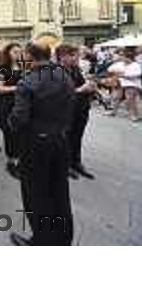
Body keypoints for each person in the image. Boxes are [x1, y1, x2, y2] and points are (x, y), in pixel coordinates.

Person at [9, 42, 75, 246]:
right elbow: (72, 103)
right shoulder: (64, 75)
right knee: (59, 190)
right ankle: (63, 237)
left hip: (35, 144)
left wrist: (9, 121)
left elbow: (19, 118)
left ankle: (42, 240)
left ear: (29, 55)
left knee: (36, 193)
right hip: (60, 140)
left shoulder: (27, 82)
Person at [57, 44, 97, 180]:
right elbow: (59, 94)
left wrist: (90, 87)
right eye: (73, 55)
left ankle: (76, 162)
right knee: (66, 138)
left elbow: (81, 85)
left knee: (77, 136)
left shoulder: (75, 69)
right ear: (62, 56)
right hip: (66, 110)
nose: (76, 58)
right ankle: (65, 164)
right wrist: (81, 89)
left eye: (77, 55)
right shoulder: (57, 71)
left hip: (81, 108)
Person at [0, 43, 24, 179]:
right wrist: (16, 88)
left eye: (19, 52)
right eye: (15, 52)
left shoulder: (23, 67)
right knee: (10, 134)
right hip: (7, 105)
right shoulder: (2, 69)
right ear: (8, 53)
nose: (17, 54)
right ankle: (11, 162)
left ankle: (19, 160)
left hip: (21, 104)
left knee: (20, 134)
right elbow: (0, 89)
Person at [107, 49, 142, 122]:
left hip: (132, 84)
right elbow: (109, 69)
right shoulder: (120, 64)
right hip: (121, 83)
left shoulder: (136, 65)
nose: (123, 59)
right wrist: (117, 72)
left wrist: (123, 75)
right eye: (123, 57)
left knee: (130, 99)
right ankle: (113, 111)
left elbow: (137, 74)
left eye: (125, 57)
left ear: (130, 58)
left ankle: (133, 115)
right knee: (117, 97)